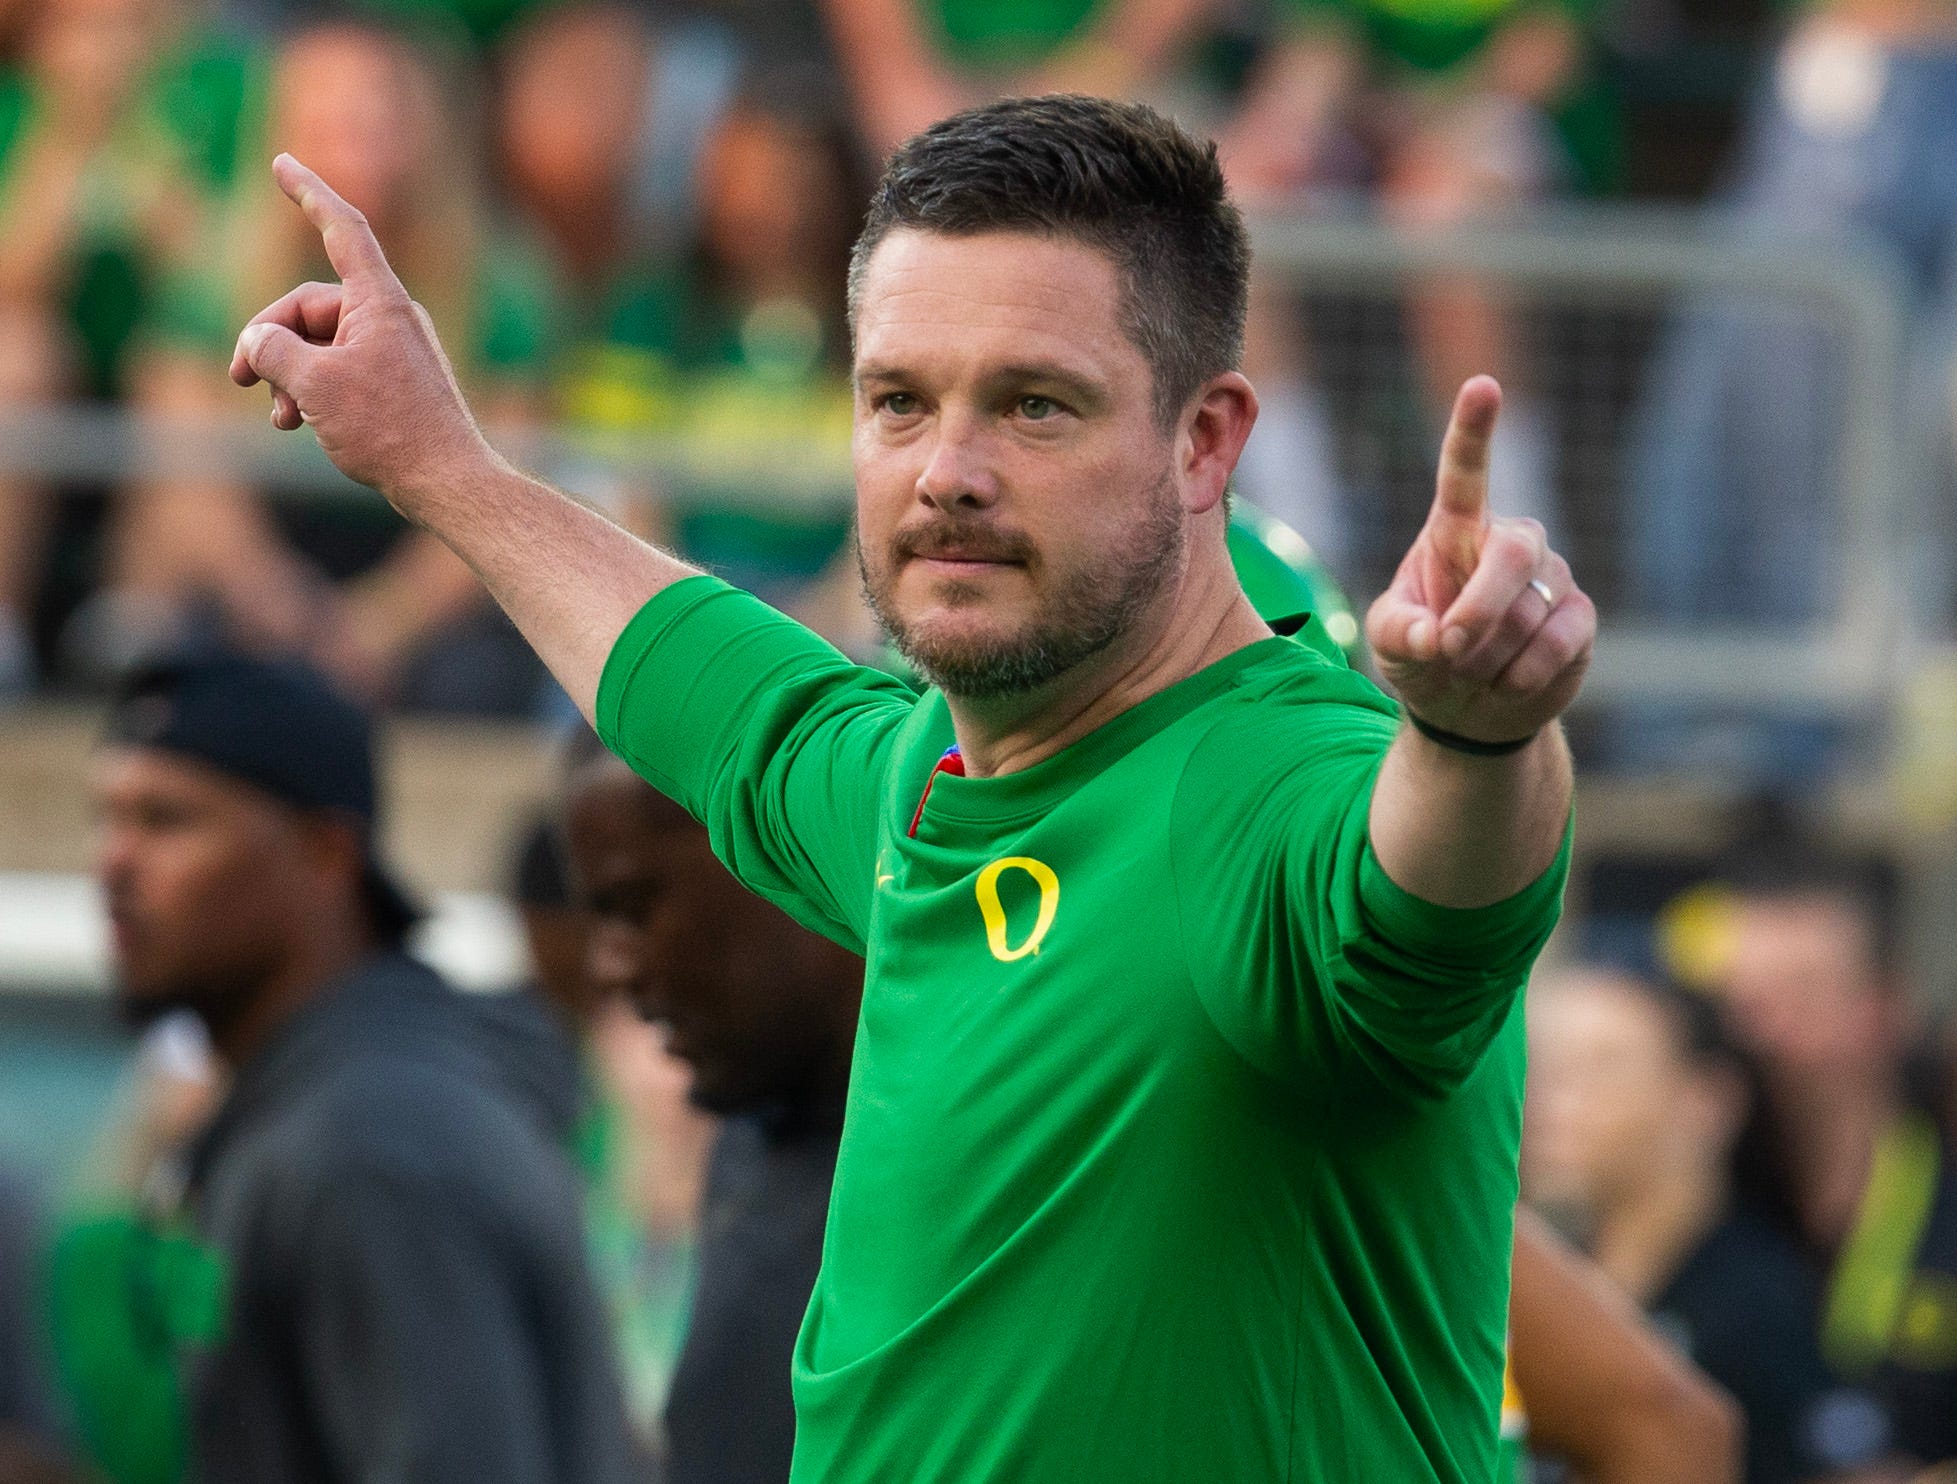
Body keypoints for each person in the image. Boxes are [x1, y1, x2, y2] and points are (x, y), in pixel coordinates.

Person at [231, 93, 1595, 1480]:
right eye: (899, 401)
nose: (947, 473)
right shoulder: (916, 774)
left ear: (1205, 441)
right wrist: (438, 464)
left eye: (1033, 405)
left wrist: (1480, 738)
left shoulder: (1268, 785)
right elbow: (728, 698)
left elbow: (1428, 896)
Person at [85, 648, 635, 1484]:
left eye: (167, 820)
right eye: (108, 819)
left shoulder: (372, 1145)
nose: (115, 865)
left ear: (325, 855)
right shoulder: (326, 1099)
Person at [566, 748, 862, 1484]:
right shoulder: (753, 1131)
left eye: (635, 907)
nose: (611, 966)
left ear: (792, 862)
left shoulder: (971, 1166)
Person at [1526, 963, 1878, 1483]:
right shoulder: (1558, 1275)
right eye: (1549, 1070)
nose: (1557, 1103)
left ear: (1706, 1100)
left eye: (1602, 1068)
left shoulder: (1757, 1302)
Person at [1706, 847, 1957, 1473]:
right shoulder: (1699, 1213)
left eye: (1799, 994)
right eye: (1737, 1004)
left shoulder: (1945, 1209)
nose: (1760, 1033)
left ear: (1885, 1008)